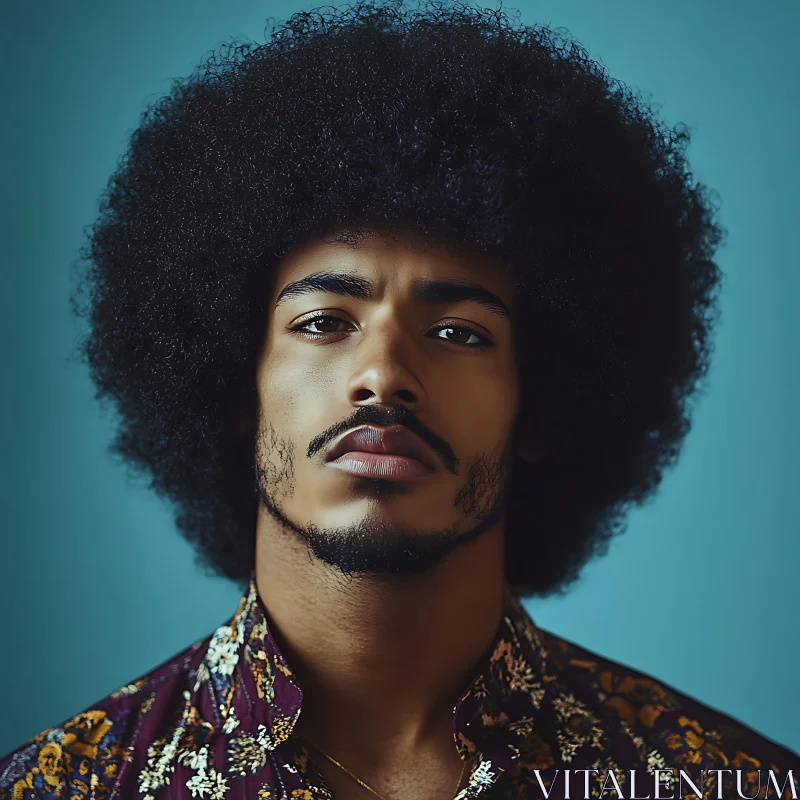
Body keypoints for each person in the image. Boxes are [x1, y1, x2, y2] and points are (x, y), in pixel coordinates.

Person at [1, 1, 795, 798]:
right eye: (322, 323)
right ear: (233, 382)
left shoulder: (722, 783)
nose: (383, 374)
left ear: (543, 403)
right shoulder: (67, 785)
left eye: (458, 333)